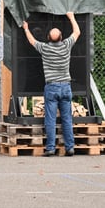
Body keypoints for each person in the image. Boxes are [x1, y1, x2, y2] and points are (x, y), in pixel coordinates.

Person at [22, 12, 81, 156]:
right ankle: (70, 148)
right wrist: (71, 17)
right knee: (67, 119)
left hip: (51, 87)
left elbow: (32, 41)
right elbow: (77, 32)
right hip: (66, 86)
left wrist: (26, 29)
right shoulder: (66, 46)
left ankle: (50, 148)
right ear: (62, 38)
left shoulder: (45, 48)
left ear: (48, 38)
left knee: (50, 119)